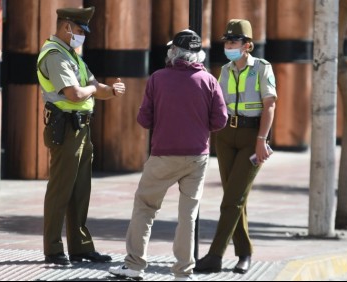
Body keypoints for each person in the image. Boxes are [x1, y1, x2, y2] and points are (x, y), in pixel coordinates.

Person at [108, 29, 228, 281]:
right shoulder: (209, 81)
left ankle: (134, 265)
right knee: (189, 215)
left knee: (145, 207)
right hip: (197, 157)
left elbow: (144, 119)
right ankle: (183, 273)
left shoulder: (157, 78)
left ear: (174, 52)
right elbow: (220, 120)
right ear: (197, 54)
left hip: (163, 155)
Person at [36, 6, 126, 266]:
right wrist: (92, 89)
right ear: (66, 27)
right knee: (60, 191)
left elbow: (96, 87)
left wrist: (113, 90)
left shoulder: (71, 56)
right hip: (66, 129)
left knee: (80, 191)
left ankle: (81, 247)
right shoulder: (55, 56)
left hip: (81, 129)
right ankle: (53, 249)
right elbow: (74, 94)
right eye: (79, 30)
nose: (82, 36)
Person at [194, 19, 277, 274]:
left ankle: (215, 255)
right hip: (226, 137)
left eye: (233, 42)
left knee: (231, 200)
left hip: (252, 139)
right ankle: (244, 254)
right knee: (234, 198)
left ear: (248, 45)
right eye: (227, 41)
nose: (228, 46)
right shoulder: (226, 70)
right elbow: (218, 105)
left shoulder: (262, 68)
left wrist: (262, 140)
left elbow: (270, 105)